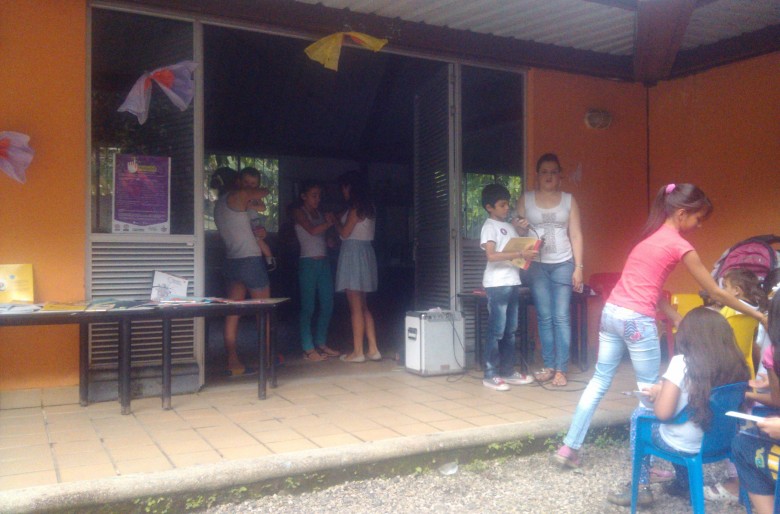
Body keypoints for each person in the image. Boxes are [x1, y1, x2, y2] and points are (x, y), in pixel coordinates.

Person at [555, 183, 767, 468]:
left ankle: (569, 447)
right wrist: (759, 315)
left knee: (599, 380)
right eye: (698, 218)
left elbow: (648, 287)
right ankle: (646, 468)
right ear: (681, 213)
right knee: (651, 391)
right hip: (636, 319)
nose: (699, 225)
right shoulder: (681, 246)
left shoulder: (648, 240)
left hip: (611, 313)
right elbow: (717, 293)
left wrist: (673, 316)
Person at [606, 307, 750, 506]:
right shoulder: (736, 365)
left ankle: (641, 487)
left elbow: (663, 414)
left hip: (687, 445)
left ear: (687, 336)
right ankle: (684, 483)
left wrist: (658, 396)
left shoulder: (681, 363)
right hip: (723, 442)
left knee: (639, 416)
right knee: (681, 423)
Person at [516, 153, 583, 387]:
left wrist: (579, 267)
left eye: (553, 172)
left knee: (561, 316)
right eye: (544, 172)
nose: (548, 176)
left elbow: (576, 234)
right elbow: (518, 234)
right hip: (537, 266)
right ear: (537, 175)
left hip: (564, 263)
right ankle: (549, 365)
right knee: (544, 317)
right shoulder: (526, 199)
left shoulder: (569, 200)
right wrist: (520, 226)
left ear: (559, 175)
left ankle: (561, 369)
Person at [479, 184, 539, 391]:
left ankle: (507, 371)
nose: (507, 208)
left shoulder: (509, 226)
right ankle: (490, 374)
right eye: (502, 205)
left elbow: (515, 248)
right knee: (497, 330)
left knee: (510, 330)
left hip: (512, 281)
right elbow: (491, 255)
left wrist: (523, 231)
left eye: (507, 204)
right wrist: (520, 254)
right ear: (489, 207)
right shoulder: (489, 226)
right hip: (497, 284)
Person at [213, 166, 271, 377]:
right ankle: (266, 359)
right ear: (237, 181)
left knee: (233, 314)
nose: (250, 188)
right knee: (263, 311)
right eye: (246, 183)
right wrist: (255, 192)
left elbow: (254, 219)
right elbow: (264, 193)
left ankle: (233, 361)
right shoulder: (240, 196)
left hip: (232, 260)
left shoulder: (220, 204)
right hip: (250, 260)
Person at [732, 292, 780, 514]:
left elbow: (777, 399)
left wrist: (750, 395)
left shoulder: (774, 354)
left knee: (743, 445)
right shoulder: (773, 355)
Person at [331, 171, 380, 363]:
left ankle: (358, 352)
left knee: (355, 307)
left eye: (344, 188)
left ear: (350, 188)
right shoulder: (369, 207)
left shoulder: (355, 208)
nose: (343, 192)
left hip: (353, 254)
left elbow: (344, 233)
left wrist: (335, 221)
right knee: (364, 305)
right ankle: (373, 349)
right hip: (366, 253)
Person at [292, 180, 340, 361]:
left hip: (324, 262)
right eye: (314, 195)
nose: (317, 199)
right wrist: (330, 222)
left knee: (328, 304)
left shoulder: (320, 214)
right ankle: (307, 348)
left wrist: (331, 236)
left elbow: (326, 240)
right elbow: (312, 230)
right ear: (303, 196)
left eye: (319, 196)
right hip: (308, 263)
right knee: (308, 307)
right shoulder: (298, 212)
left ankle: (321, 343)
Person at [238, 167, 275, 270]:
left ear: (257, 186)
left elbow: (263, 208)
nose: (249, 186)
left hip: (254, 222)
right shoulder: (237, 195)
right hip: (244, 223)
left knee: (259, 240)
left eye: (253, 183)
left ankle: (270, 259)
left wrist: (251, 206)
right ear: (240, 182)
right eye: (246, 182)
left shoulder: (256, 197)